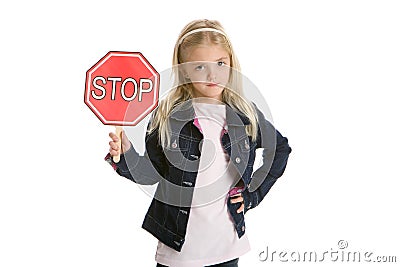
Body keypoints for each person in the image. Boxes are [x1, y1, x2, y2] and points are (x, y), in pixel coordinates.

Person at [105, 19, 292, 267]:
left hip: (226, 246)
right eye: (200, 66)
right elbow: (150, 173)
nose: (213, 75)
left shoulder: (245, 114)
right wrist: (125, 153)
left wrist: (252, 195)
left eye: (220, 64)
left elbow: (280, 148)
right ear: (184, 70)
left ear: (231, 64)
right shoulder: (168, 116)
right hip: (178, 249)